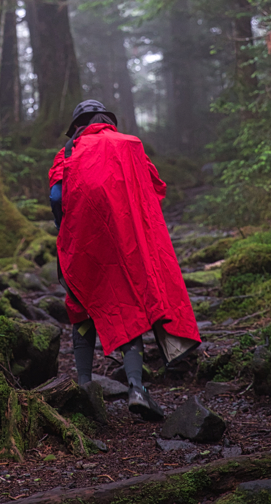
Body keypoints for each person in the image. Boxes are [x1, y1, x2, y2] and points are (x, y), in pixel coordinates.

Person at [49, 99, 201, 422]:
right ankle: (136, 387)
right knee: (129, 305)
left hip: (81, 241)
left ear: (79, 125)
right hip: (126, 241)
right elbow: (155, 189)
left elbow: (55, 197)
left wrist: (65, 230)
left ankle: (84, 388)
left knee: (80, 305)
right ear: (107, 120)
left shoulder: (68, 152)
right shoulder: (130, 145)